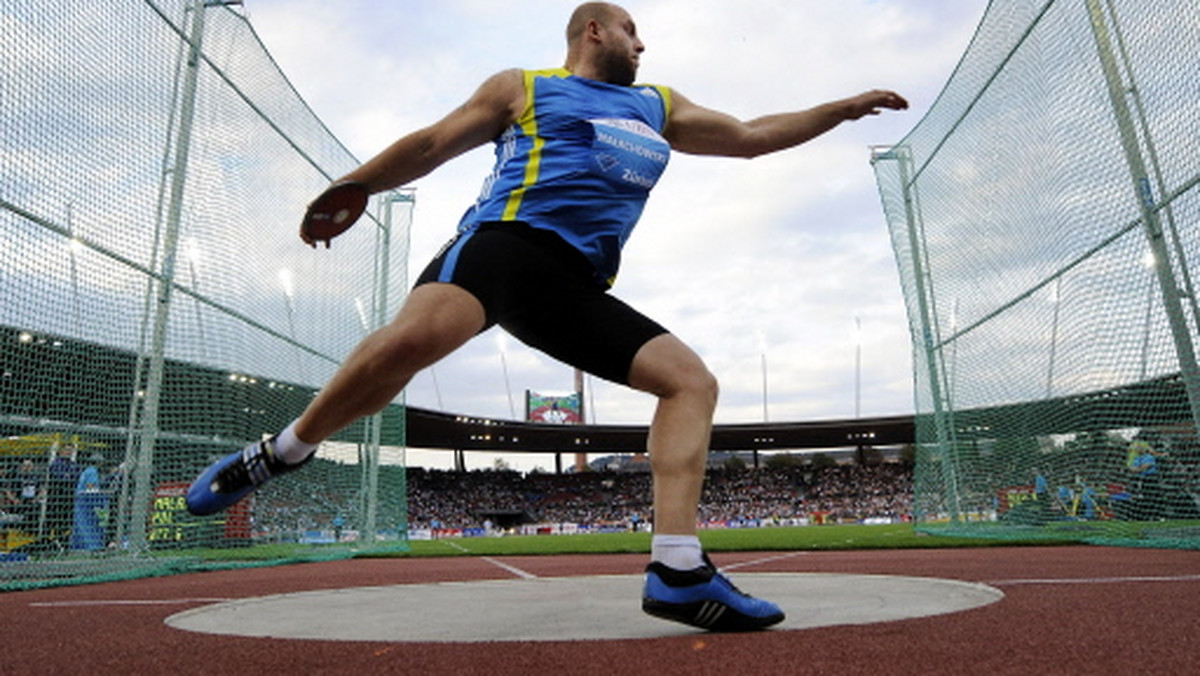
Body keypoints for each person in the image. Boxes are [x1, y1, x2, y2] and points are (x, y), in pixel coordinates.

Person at [187, 2, 908, 631]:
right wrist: (357, 184)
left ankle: (680, 570)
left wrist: (837, 110)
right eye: (632, 31)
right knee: (410, 343)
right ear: (594, 31)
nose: (643, 45)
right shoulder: (526, 87)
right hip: (503, 246)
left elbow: (750, 134)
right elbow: (436, 143)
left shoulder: (660, 104)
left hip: (574, 285)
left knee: (691, 383)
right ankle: (280, 452)